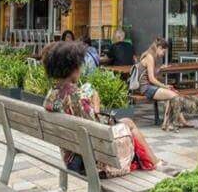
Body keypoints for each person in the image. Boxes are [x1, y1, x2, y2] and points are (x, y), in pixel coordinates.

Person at [42, 40, 159, 180]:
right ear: (72, 68)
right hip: (86, 160)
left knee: (125, 122)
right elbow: (96, 128)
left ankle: (153, 161)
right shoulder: (78, 97)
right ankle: (155, 162)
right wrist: (95, 104)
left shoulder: (51, 95)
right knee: (129, 124)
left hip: (70, 155)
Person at [136, 37, 188, 131]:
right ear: (159, 48)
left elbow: (149, 73)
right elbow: (151, 79)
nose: (163, 54)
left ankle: (168, 123)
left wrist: (160, 68)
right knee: (174, 96)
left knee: (172, 95)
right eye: (163, 52)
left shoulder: (151, 55)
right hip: (146, 88)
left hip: (148, 87)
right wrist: (165, 86)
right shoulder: (150, 57)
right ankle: (170, 123)